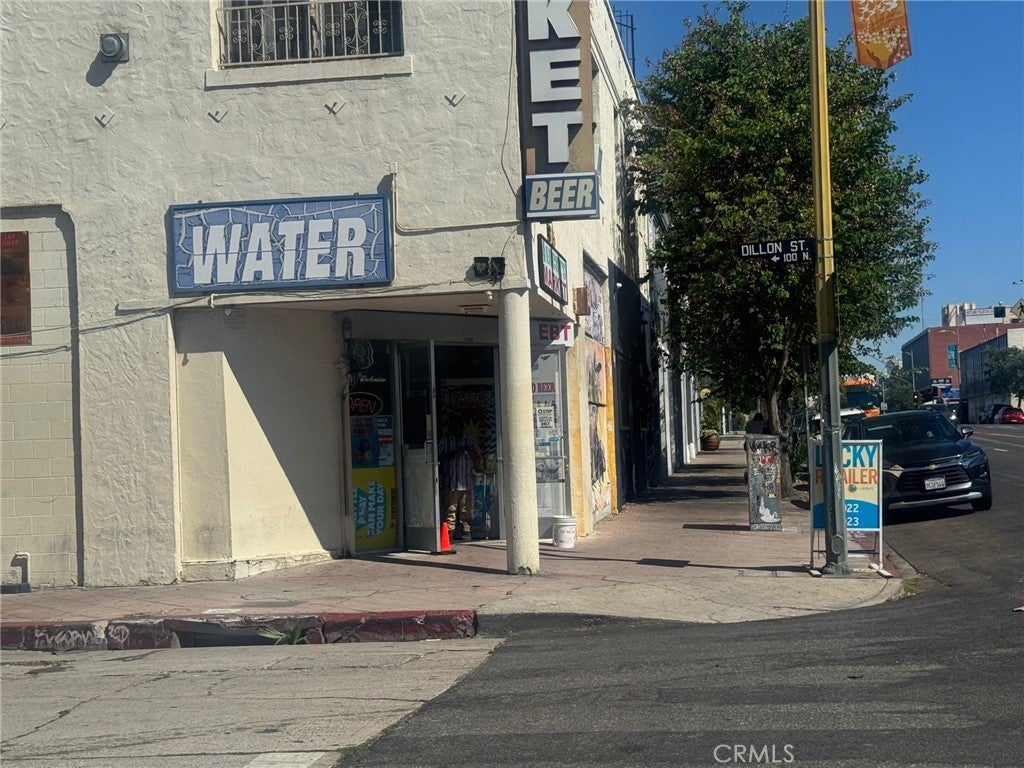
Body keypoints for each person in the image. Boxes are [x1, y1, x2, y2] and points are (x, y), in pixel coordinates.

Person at [438, 414, 482, 540]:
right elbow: (437, 457)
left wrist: (467, 450)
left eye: (458, 426)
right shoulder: (445, 440)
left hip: (466, 481)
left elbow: (478, 458)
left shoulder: (469, 440)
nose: (456, 429)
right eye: (453, 426)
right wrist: (454, 453)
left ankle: (465, 531)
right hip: (451, 481)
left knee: (466, 510)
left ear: (462, 427)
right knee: (450, 510)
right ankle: (449, 534)